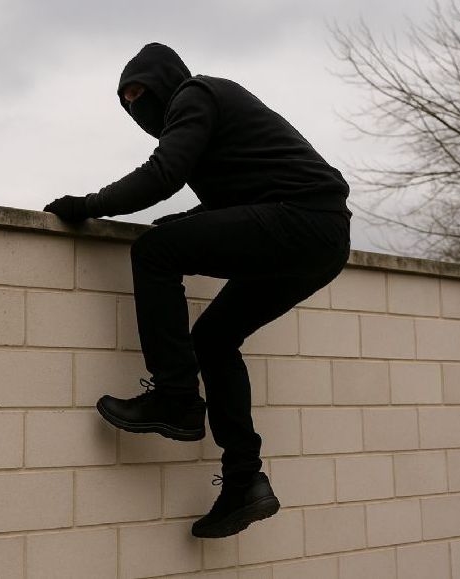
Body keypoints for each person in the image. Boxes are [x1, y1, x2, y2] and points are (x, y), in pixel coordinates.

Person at [43, 42, 351, 538]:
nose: (133, 106)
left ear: (166, 80)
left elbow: (164, 174)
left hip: (304, 219)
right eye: (124, 102)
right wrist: (185, 220)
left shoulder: (196, 93)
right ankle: (244, 483)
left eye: (140, 92)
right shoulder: (211, 117)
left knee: (153, 252)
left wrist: (88, 204)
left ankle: (176, 397)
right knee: (214, 339)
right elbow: (244, 197)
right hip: (320, 239)